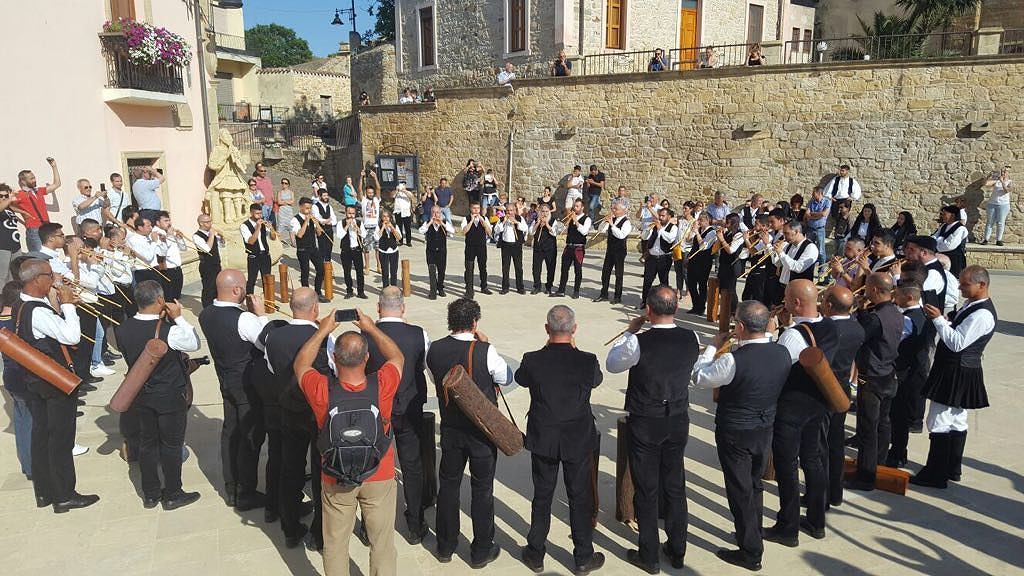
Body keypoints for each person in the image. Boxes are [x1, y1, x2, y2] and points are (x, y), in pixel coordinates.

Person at [294, 308, 404, 576]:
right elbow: (397, 356)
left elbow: (301, 364)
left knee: (335, 544)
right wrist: (370, 327)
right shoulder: (382, 384)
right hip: (379, 473)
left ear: (334, 358)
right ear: (367, 358)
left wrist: (323, 330)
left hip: (335, 476)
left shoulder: (322, 389)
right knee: (382, 544)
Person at [691, 301, 791, 572]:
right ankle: (752, 532)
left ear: (741, 327)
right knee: (753, 484)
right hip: (764, 426)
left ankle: (750, 550)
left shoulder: (733, 359)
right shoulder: (782, 351)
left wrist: (712, 347)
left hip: (736, 429)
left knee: (740, 489)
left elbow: (699, 377)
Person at [606, 286, 698, 572]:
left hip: (647, 417)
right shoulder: (691, 336)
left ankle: (649, 554)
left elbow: (612, 364)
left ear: (648, 310)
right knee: (674, 483)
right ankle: (678, 548)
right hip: (677, 416)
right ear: (676, 309)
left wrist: (630, 332)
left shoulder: (638, 342)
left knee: (647, 488)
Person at [517, 305, 605, 575]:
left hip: (544, 436)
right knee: (579, 497)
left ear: (547, 330)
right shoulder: (587, 360)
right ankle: (582, 556)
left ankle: (535, 552)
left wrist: (546, 351)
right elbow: (596, 380)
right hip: (577, 437)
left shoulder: (532, 359)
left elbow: (521, 379)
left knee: (542, 495)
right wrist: (575, 351)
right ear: (574, 329)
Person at [425, 298, 510, 568]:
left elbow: (435, 380)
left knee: (448, 486)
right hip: (481, 433)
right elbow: (505, 377)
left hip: (451, 429)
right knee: (482, 489)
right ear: (474, 323)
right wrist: (485, 343)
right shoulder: (485, 349)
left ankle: (445, 545)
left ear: (450, 321)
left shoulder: (434, 350)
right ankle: (481, 549)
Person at [17, 259, 99, 512]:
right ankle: (64, 494)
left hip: (38, 381)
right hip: (53, 382)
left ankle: (46, 491)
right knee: (60, 440)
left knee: (42, 436)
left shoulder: (23, 304)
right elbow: (71, 335)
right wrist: (69, 305)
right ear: (36, 280)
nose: (53, 278)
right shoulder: (37, 311)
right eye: (49, 275)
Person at [765, 279, 839, 546]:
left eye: (786, 297)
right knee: (814, 460)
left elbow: (776, 368)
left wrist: (771, 334)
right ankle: (817, 521)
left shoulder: (792, 336)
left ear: (796, 302)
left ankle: (788, 526)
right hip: (818, 403)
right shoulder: (830, 325)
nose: (783, 301)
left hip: (792, 408)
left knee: (787, 466)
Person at [115, 280, 200, 509]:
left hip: (141, 394)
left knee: (147, 443)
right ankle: (173, 492)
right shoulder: (168, 331)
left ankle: (151, 493)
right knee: (171, 445)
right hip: (169, 395)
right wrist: (179, 317)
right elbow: (194, 343)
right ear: (160, 300)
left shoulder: (122, 329)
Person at [910, 265, 996, 489]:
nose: (959, 287)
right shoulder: (973, 306)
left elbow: (957, 343)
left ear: (982, 285)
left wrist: (938, 320)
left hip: (956, 370)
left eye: (965, 284)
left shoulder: (983, 314)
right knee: (957, 418)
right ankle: (951, 468)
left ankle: (935, 473)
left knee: (938, 420)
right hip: (961, 369)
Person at [365, 287, 433, 544]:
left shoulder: (366, 335)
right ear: (402, 308)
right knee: (411, 465)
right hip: (409, 406)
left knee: (372, 464)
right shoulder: (418, 334)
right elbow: (429, 369)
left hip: (377, 409)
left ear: (378, 308)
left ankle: (368, 526)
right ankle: (415, 524)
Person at [262, 287, 329, 550]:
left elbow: (271, 369)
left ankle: (290, 527)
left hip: (288, 410)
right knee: (321, 471)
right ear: (315, 308)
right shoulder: (322, 338)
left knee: (291, 468)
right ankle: (319, 531)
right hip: (316, 414)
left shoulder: (274, 338)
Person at [198, 269, 270, 510]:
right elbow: (266, 343)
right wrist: (260, 315)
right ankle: (246, 491)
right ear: (237, 290)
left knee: (231, 432)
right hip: (246, 384)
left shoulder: (206, 313)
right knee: (250, 436)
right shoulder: (244, 319)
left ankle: (231, 486)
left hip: (225, 379)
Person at [846, 273, 903, 491]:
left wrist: (859, 312)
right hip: (888, 373)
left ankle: (866, 477)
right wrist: (862, 310)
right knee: (883, 423)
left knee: (868, 429)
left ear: (877, 290)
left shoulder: (877, 317)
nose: (865, 291)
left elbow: (861, 335)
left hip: (872, 376)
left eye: (868, 288)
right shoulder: (895, 312)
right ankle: (879, 463)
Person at [819, 286, 865, 508]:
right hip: (843, 386)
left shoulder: (826, 328)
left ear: (828, 305)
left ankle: (822, 494)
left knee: (820, 444)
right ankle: (835, 491)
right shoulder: (857, 328)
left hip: (825, 387)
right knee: (835, 442)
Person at [886, 282, 929, 469]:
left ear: (909, 297)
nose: (895, 298)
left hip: (907, 374)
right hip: (913, 370)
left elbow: (892, 342)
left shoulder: (909, 320)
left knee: (899, 416)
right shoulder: (921, 314)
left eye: (898, 295)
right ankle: (896, 450)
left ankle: (898, 453)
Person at [1, 281, 32, 480]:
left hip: (10, 378)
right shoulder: (16, 323)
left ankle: (27, 463)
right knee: (30, 422)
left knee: (21, 421)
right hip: (23, 376)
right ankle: (33, 466)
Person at [15, 157, 61, 252]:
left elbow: (57, 184)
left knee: (50, 253)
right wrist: (23, 217)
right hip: (34, 229)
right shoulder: (19, 194)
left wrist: (54, 167)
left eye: (34, 177)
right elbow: (8, 206)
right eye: (31, 178)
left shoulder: (38, 191)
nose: (34, 180)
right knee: (39, 255)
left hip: (46, 227)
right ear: (23, 181)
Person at [638, 207, 678, 309]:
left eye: (663, 216)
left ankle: (665, 303)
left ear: (669, 217)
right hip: (651, 257)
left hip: (664, 258)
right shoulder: (654, 226)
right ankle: (645, 301)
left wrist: (660, 229)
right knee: (647, 280)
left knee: (663, 281)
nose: (660, 218)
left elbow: (670, 239)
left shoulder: (673, 228)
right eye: (660, 215)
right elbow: (644, 237)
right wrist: (648, 229)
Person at [593, 199, 632, 304]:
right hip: (610, 250)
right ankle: (604, 293)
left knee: (618, 274)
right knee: (605, 272)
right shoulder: (612, 219)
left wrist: (612, 224)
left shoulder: (626, 222)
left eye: (616, 209)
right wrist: (604, 222)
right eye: (613, 208)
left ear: (623, 210)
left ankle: (617, 296)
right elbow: (601, 230)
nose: (613, 210)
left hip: (619, 251)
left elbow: (621, 235)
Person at [553, 198, 592, 299]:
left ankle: (576, 291)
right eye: (575, 206)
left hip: (578, 247)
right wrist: (567, 222)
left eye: (577, 206)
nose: (575, 208)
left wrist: (576, 221)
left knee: (578, 270)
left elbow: (584, 232)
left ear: (582, 207)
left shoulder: (586, 219)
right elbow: (564, 229)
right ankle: (561, 290)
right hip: (569, 246)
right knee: (564, 269)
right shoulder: (571, 217)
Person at [768, 221, 818, 295]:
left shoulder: (810, 247)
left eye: (787, 233)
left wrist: (781, 253)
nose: (784, 237)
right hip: (782, 287)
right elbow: (777, 263)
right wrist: (774, 251)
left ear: (797, 232)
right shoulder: (788, 245)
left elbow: (798, 268)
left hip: (798, 291)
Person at [293, 198, 328, 302]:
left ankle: (318, 292)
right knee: (305, 272)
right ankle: (306, 295)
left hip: (313, 247)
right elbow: (299, 234)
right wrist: (307, 220)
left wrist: (316, 224)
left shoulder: (312, 218)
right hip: (303, 249)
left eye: (310, 208)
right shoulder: (295, 219)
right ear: (301, 207)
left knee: (321, 269)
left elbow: (319, 233)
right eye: (307, 208)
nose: (309, 210)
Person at [240, 203, 277, 295]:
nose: (260, 216)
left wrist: (271, 228)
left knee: (267, 279)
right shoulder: (244, 226)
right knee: (252, 280)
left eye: (260, 213)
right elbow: (251, 241)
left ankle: (268, 302)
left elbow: (273, 237)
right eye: (257, 213)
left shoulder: (263, 223)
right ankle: (250, 302)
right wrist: (257, 228)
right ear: (251, 213)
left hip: (265, 255)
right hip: (253, 256)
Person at [419, 205, 454, 299]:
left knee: (442, 271)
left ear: (440, 213)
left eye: (437, 212)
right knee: (432, 271)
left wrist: (442, 223)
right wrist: (430, 222)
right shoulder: (427, 222)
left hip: (442, 251)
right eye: (434, 212)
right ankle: (433, 290)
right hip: (431, 251)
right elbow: (421, 231)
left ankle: (440, 287)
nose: (435, 214)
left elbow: (452, 231)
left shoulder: (445, 222)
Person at [686, 213, 717, 315]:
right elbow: (689, 240)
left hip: (704, 261)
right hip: (694, 260)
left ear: (708, 220)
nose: (699, 222)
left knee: (702, 284)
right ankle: (695, 305)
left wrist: (697, 234)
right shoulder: (699, 230)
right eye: (699, 220)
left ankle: (701, 307)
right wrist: (692, 231)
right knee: (691, 284)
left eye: (701, 220)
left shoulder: (711, 232)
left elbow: (704, 246)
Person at [495, 202, 528, 294]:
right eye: (508, 211)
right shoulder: (502, 219)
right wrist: (504, 221)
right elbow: (497, 230)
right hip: (506, 245)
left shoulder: (519, 218)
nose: (510, 213)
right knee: (505, 267)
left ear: (515, 210)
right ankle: (505, 287)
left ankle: (520, 287)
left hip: (516, 245)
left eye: (511, 210)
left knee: (518, 267)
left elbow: (525, 228)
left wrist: (517, 223)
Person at [461, 201, 492, 298]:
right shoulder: (465, 219)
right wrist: (471, 221)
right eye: (474, 208)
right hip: (470, 247)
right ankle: (469, 290)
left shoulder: (485, 218)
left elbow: (489, 232)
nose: (476, 210)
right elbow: (464, 231)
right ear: (470, 209)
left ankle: (484, 287)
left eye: (478, 208)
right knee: (469, 268)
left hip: (481, 247)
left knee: (483, 267)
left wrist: (483, 222)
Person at [153, 211, 187, 300]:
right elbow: (160, 252)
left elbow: (183, 248)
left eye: (169, 220)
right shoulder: (156, 233)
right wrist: (169, 236)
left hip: (177, 268)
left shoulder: (169, 232)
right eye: (166, 221)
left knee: (176, 297)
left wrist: (180, 238)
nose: (169, 223)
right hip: (167, 270)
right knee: (168, 297)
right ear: (157, 222)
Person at [193, 214, 224, 308]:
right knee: (208, 289)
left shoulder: (212, 235)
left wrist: (222, 238)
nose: (210, 224)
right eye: (207, 222)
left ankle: (216, 308)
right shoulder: (196, 236)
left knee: (217, 287)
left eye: (211, 221)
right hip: (206, 266)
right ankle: (207, 308)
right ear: (201, 223)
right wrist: (211, 235)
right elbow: (207, 249)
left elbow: (220, 246)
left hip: (216, 264)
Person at [338, 205, 368, 300]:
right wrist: (347, 226)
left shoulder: (359, 223)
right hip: (346, 250)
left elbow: (364, 234)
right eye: (349, 213)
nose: (351, 216)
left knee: (359, 272)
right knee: (347, 272)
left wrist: (357, 228)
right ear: (346, 213)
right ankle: (349, 291)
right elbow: (340, 236)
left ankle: (361, 291)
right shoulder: (341, 223)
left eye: (353, 213)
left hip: (357, 250)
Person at [530, 204, 562, 295]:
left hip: (550, 248)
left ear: (549, 212)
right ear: (540, 212)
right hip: (538, 248)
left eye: (546, 211)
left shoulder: (553, 221)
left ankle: (549, 287)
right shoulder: (536, 220)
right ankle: (537, 286)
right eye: (543, 211)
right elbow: (531, 232)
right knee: (536, 268)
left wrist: (547, 225)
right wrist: (537, 224)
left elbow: (554, 233)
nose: (544, 213)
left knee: (550, 268)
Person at [933, 205, 968, 277]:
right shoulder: (943, 226)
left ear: (952, 215)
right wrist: (940, 241)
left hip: (954, 261)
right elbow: (934, 237)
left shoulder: (960, 229)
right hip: (942, 260)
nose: (942, 216)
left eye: (944, 214)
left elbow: (949, 246)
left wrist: (938, 241)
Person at [981, 165, 1011, 245]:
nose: (1003, 173)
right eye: (1002, 172)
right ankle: (986, 239)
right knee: (989, 222)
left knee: (1000, 222)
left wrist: (1002, 182)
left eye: (1005, 172)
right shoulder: (996, 181)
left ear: (1008, 173)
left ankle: (999, 240)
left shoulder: (1010, 182)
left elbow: (1007, 190)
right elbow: (985, 184)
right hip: (992, 204)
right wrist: (988, 176)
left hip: (1003, 205)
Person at [359, 176, 382, 273]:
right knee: (366, 249)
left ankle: (379, 266)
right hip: (366, 227)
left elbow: (378, 188)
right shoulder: (363, 200)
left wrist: (375, 177)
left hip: (375, 227)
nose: (371, 194)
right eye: (369, 193)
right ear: (366, 193)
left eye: (372, 193)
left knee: (378, 248)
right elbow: (359, 189)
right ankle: (367, 266)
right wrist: (361, 177)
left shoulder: (376, 200)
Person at [376, 211, 402, 288]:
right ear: (381, 218)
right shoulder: (379, 226)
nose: (386, 218)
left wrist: (392, 228)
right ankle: (385, 288)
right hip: (383, 251)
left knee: (394, 271)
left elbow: (399, 238)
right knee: (385, 272)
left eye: (387, 216)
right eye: (384, 216)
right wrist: (383, 227)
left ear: (390, 218)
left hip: (394, 250)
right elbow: (377, 238)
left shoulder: (394, 225)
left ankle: (394, 288)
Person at [805, 187, 831, 265]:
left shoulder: (827, 202)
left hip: (820, 229)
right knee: (808, 248)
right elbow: (807, 214)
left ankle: (821, 268)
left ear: (819, 193)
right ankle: (809, 266)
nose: (812, 194)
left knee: (821, 250)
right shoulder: (811, 202)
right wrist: (818, 215)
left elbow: (824, 214)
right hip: (810, 228)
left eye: (814, 193)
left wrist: (812, 215)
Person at [314, 188, 338, 267]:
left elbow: (334, 218)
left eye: (327, 195)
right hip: (321, 230)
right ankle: (322, 268)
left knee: (329, 249)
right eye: (324, 196)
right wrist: (326, 220)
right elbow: (317, 218)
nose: (326, 197)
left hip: (329, 230)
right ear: (320, 196)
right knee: (322, 249)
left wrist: (328, 221)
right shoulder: (315, 206)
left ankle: (328, 268)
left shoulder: (329, 207)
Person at [277, 178, 295, 245]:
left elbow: (292, 201)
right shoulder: (280, 192)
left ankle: (293, 242)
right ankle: (278, 242)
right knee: (280, 226)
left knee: (291, 227)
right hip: (282, 211)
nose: (284, 184)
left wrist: (284, 202)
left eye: (286, 183)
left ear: (288, 185)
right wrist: (288, 202)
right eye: (283, 183)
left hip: (289, 211)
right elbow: (279, 202)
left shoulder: (291, 192)